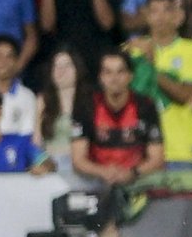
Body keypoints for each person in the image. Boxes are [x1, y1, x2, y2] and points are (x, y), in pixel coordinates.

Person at [125, 0, 192, 169]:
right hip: (138, 151)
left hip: (180, 150)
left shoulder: (191, 50)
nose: (160, 17)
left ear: (178, 16)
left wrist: (151, 66)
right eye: (154, 11)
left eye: (166, 10)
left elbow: (185, 95)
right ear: (146, 15)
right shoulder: (130, 51)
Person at [71, 50, 165, 185]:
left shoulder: (146, 106)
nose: (114, 78)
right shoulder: (85, 107)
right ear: (100, 77)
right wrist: (103, 172)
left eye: (120, 72)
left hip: (138, 180)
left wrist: (133, 173)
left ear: (130, 76)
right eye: (108, 72)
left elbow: (157, 158)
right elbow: (78, 160)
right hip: (96, 181)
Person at [36, 47, 93, 179]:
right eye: (56, 66)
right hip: (51, 164)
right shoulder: (43, 100)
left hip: (82, 164)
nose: (61, 70)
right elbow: (36, 141)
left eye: (67, 65)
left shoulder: (90, 100)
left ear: (78, 69)